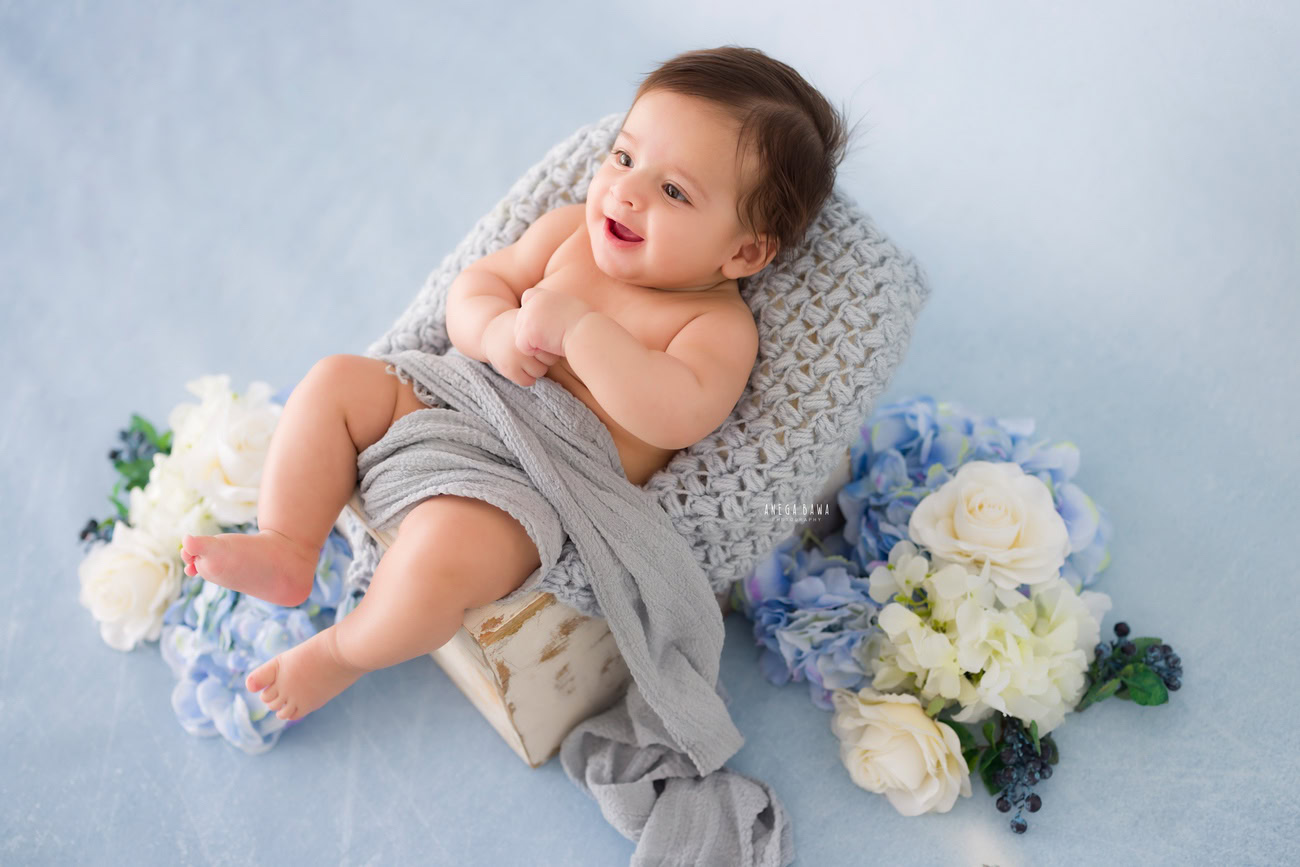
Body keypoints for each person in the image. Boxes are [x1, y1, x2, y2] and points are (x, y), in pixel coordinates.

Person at [179, 45, 852, 722]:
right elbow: (477, 286)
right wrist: (494, 331)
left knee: (438, 557)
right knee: (334, 382)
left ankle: (341, 654)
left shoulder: (716, 326)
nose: (625, 190)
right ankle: (289, 544)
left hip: (539, 483)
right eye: (623, 158)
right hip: (457, 398)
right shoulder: (568, 236)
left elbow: (677, 414)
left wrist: (583, 333)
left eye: (673, 191)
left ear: (744, 251)